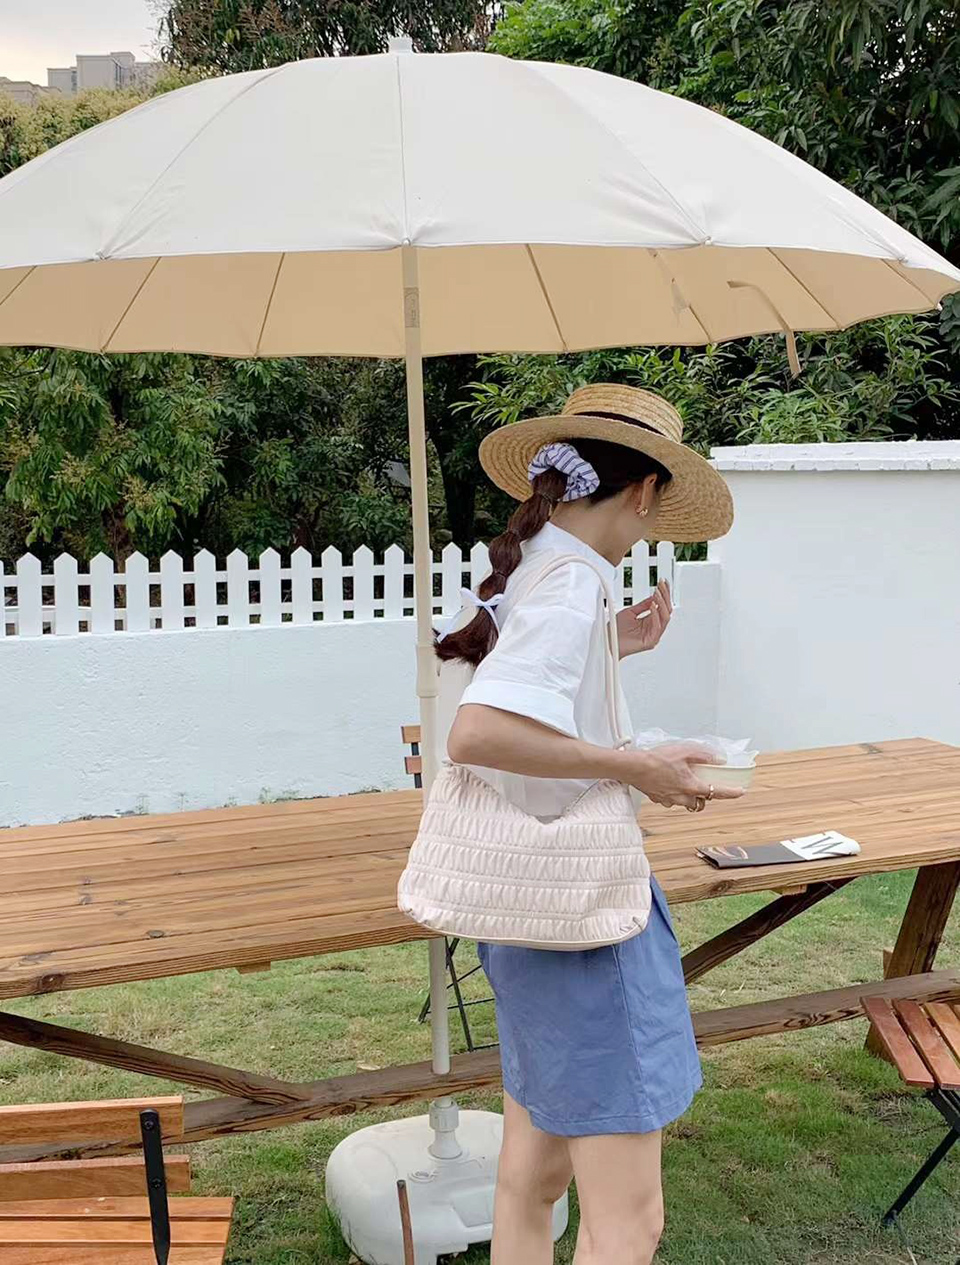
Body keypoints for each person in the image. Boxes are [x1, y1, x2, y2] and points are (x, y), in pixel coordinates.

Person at [435, 384, 740, 1265]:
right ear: (643, 491)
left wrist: (613, 646)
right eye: (657, 512)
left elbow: (514, 704)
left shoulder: (535, 568)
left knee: (530, 1178)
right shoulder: (572, 585)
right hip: (587, 924)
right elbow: (478, 733)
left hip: (523, 913)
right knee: (629, 1221)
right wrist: (637, 767)